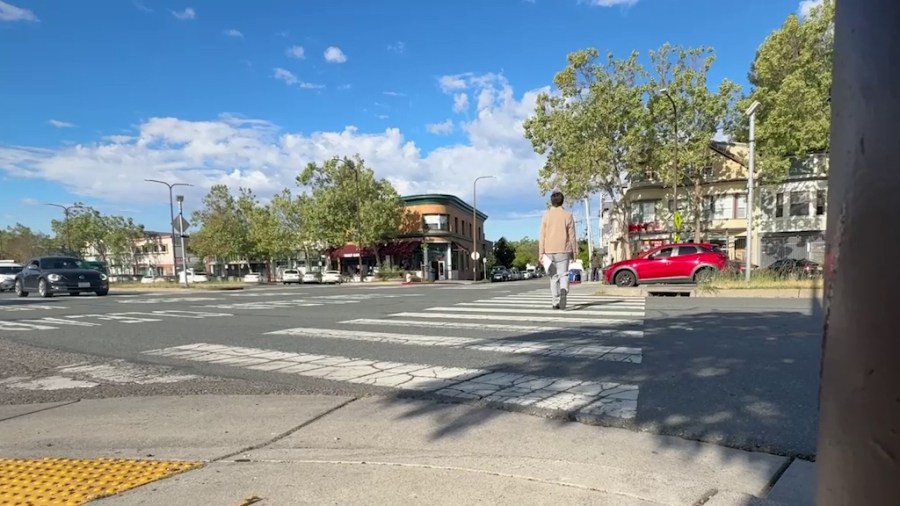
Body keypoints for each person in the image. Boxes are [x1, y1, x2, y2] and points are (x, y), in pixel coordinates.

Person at [538, 190, 579, 310]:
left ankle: (555, 301)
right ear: (562, 201)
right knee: (564, 275)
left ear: (551, 201)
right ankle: (563, 290)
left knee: (553, 277)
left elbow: (542, 235)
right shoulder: (568, 215)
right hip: (564, 250)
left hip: (548, 251)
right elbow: (572, 236)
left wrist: (541, 253)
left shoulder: (546, 216)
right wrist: (575, 252)